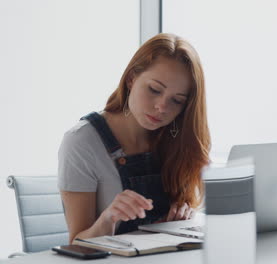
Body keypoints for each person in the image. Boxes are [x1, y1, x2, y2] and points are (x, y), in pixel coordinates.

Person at [58, 33, 211, 243]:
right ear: (131, 79)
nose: (162, 107)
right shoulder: (81, 141)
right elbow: (76, 244)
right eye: (154, 90)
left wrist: (177, 218)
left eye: (176, 101)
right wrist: (108, 219)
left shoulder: (175, 140)